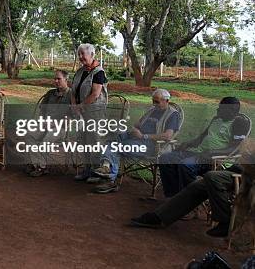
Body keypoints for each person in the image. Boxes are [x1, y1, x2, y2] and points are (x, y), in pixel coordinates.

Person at [131, 137, 254, 238]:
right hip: (243, 172)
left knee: (212, 177)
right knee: (198, 185)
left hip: (249, 177)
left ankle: (225, 221)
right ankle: (160, 217)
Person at [91, 88, 181, 194]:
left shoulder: (173, 115)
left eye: (157, 101)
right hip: (136, 139)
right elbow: (136, 125)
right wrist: (135, 130)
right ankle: (105, 168)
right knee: (113, 138)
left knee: (116, 146)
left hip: (152, 146)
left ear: (167, 101)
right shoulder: (152, 110)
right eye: (153, 101)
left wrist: (144, 136)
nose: (154, 104)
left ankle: (110, 179)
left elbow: (167, 136)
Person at [159, 97, 242, 198]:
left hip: (216, 160)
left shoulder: (239, 124)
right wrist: (187, 144)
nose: (218, 110)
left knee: (185, 165)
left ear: (233, 111)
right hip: (198, 152)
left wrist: (211, 153)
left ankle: (190, 199)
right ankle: (173, 196)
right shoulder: (216, 119)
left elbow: (235, 149)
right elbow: (201, 137)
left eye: (221, 108)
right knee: (165, 158)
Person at [70, 43, 108, 183]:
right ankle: (87, 170)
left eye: (83, 54)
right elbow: (73, 90)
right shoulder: (80, 71)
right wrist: (74, 105)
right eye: (79, 54)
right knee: (84, 140)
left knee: (94, 141)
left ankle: (98, 173)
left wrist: (80, 106)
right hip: (81, 112)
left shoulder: (99, 72)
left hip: (95, 113)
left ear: (92, 55)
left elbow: (96, 94)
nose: (80, 57)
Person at [24, 69, 72, 177]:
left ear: (66, 79)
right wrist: (42, 122)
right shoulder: (50, 93)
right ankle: (38, 164)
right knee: (29, 135)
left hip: (60, 128)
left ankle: (41, 167)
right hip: (45, 125)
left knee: (45, 141)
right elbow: (42, 111)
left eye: (59, 79)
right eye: (55, 79)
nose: (56, 81)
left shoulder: (71, 95)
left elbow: (71, 117)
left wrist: (54, 124)